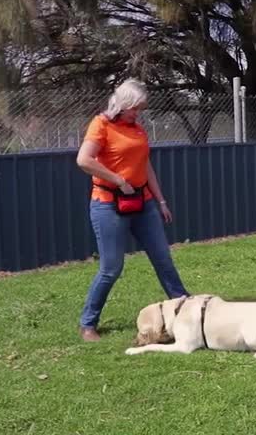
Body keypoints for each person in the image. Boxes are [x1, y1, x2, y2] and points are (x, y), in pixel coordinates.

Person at [76, 79, 189, 342]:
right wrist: (117, 180)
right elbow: (84, 160)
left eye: (140, 109)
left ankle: (185, 310)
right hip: (108, 204)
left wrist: (160, 201)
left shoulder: (137, 129)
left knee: (163, 259)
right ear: (122, 104)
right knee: (111, 268)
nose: (138, 113)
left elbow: (145, 165)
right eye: (134, 108)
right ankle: (88, 324)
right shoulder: (101, 125)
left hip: (144, 203)